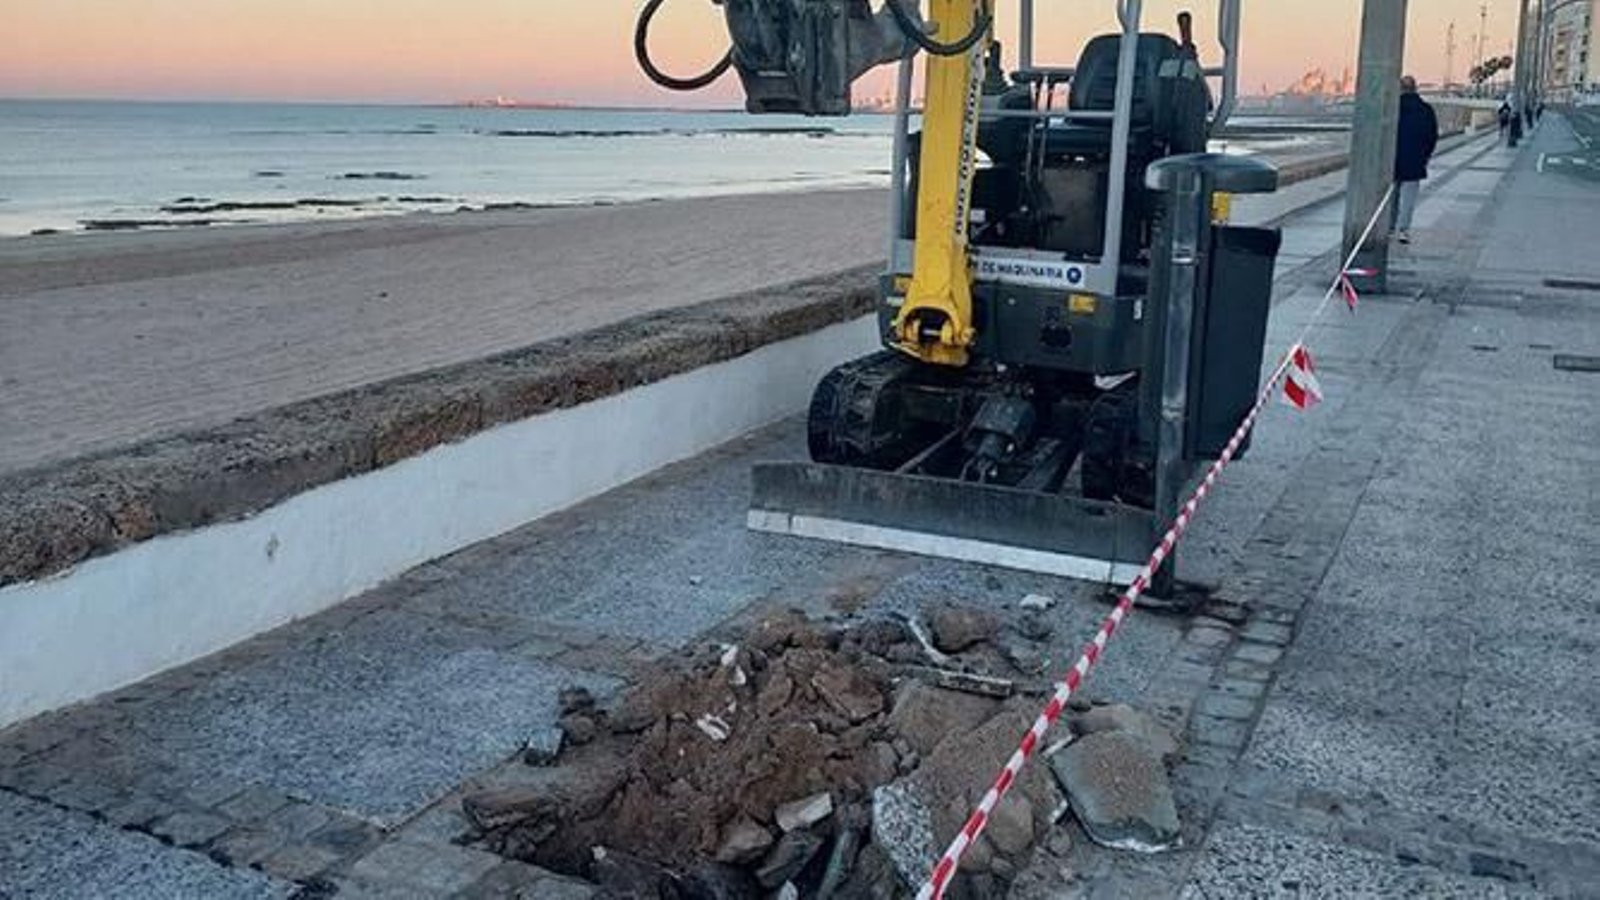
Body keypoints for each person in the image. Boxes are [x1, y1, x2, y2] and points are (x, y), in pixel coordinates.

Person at [1393, 76, 1438, 245]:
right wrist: (1425, 156)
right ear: (1415, 88)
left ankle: (1389, 228)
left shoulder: (1393, 108)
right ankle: (1403, 230)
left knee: (1392, 196)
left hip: (1393, 159)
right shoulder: (1426, 109)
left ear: (1400, 89)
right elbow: (1432, 136)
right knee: (1408, 198)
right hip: (1415, 160)